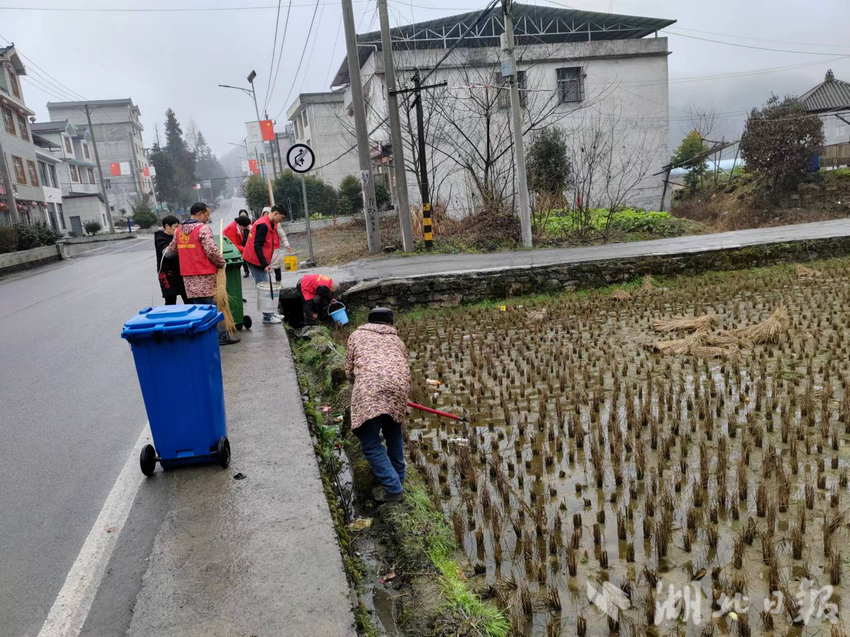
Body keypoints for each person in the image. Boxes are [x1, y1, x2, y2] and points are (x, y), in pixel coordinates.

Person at [345, 307, 411, 502]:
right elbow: (404, 366)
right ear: (389, 323)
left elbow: (348, 370)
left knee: (370, 441)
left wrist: (358, 384)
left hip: (369, 389)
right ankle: (399, 477)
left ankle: (393, 488)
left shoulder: (356, 336)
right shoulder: (397, 340)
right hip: (399, 388)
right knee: (392, 432)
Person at [165, 202, 240, 346]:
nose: (207, 218)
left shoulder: (179, 231)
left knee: (199, 310)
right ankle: (222, 336)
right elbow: (211, 251)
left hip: (189, 278)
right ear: (199, 213)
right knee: (217, 307)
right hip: (206, 276)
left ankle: (205, 337)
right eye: (206, 214)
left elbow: (170, 251)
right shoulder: (203, 229)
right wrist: (221, 263)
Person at [241, 204, 287, 324]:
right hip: (254, 259)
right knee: (264, 288)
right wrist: (264, 264)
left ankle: (271, 313)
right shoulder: (263, 225)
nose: (281, 220)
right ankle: (267, 317)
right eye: (281, 218)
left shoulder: (271, 223)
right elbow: (257, 246)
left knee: (267, 284)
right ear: (275, 213)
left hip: (259, 259)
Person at [154, 214, 187, 305]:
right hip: (167, 274)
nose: (177, 229)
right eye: (175, 227)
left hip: (180, 272)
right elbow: (167, 254)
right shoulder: (160, 238)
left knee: (188, 299)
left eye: (178, 227)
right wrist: (176, 241)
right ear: (167, 226)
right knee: (170, 301)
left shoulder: (179, 236)